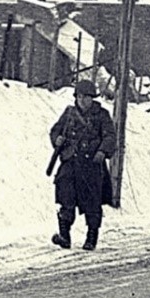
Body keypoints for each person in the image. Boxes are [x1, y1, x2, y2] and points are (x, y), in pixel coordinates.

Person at [49, 79, 116, 251]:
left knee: (92, 202)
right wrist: (57, 139)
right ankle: (64, 236)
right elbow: (55, 130)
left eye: (86, 97)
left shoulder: (102, 115)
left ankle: (91, 238)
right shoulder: (69, 113)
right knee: (65, 196)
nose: (82, 100)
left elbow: (110, 136)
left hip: (91, 165)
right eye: (79, 96)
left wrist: (102, 151)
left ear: (92, 98)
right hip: (71, 162)